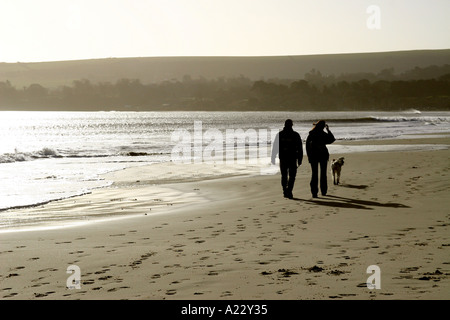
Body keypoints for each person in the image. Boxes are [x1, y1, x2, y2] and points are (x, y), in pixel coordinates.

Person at [271, 119, 303, 199]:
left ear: (285, 125)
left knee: (284, 175)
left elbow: (275, 147)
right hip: (292, 158)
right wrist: (300, 158)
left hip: (283, 158)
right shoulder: (295, 135)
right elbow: (300, 148)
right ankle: (289, 191)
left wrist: (273, 157)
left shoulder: (280, 134)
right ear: (292, 125)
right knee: (292, 176)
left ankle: (285, 190)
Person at [306, 120, 335, 198]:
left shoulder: (311, 134)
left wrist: (309, 156)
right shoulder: (323, 134)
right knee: (323, 174)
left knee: (314, 174)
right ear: (323, 126)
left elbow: (307, 147)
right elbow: (332, 139)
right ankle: (323, 191)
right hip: (323, 155)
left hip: (313, 156)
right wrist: (328, 130)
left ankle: (314, 193)